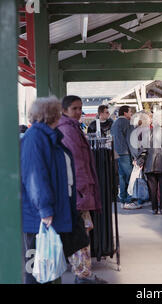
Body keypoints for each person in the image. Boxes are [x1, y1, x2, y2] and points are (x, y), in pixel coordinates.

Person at [21, 96, 74, 284]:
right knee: (36, 268)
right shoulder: (36, 138)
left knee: (45, 267)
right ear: (52, 114)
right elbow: (35, 177)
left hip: (44, 212)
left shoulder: (46, 137)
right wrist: (44, 209)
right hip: (38, 215)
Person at [58, 95, 107, 284]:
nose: (78, 112)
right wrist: (83, 190)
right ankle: (83, 275)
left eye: (80, 108)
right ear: (64, 110)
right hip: (78, 191)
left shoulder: (71, 128)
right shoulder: (68, 130)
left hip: (79, 190)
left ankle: (84, 273)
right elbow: (76, 164)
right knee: (81, 233)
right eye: (74, 109)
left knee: (82, 231)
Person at [138, 109, 162, 215]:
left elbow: (143, 150)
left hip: (150, 163)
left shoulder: (147, 133)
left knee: (152, 188)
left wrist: (140, 162)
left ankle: (154, 208)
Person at [111, 105, 142, 210]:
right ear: (125, 113)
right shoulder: (127, 123)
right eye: (130, 112)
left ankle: (123, 199)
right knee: (130, 177)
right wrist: (135, 155)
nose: (131, 114)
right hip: (125, 153)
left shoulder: (115, 123)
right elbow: (130, 140)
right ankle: (129, 200)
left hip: (117, 153)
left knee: (122, 177)